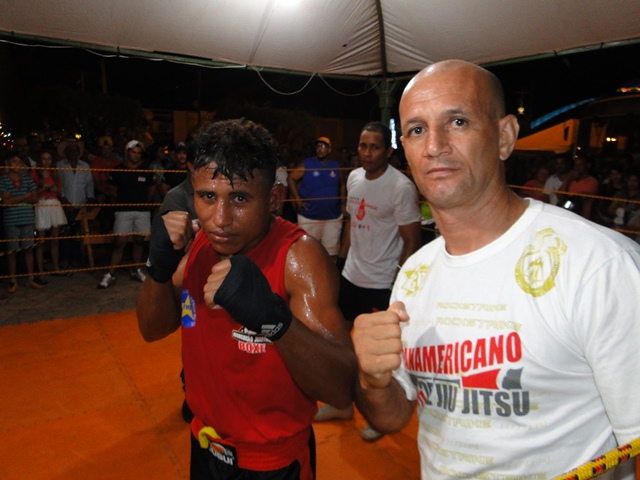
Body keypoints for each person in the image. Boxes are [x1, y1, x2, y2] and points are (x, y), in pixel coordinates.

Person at [351, 60, 640, 480]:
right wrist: (373, 380)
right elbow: (394, 417)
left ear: (505, 137)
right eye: (416, 129)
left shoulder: (599, 266)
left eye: (458, 122)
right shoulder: (415, 273)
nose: (434, 145)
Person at [136, 118, 356, 480]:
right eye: (208, 197)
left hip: (272, 464)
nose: (220, 218)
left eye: (239, 198)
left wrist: (274, 320)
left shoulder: (298, 259)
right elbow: (151, 329)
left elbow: (340, 389)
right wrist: (157, 271)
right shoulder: (197, 245)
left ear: (274, 199)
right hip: (204, 446)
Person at [314, 121, 422, 442]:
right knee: (341, 344)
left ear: (388, 151)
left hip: (382, 281)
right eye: (363, 146)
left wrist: (398, 284)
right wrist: (341, 261)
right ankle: (342, 403)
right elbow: (352, 222)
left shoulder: (400, 187)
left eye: (375, 147)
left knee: (379, 356)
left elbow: (411, 241)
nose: (367, 153)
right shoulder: (354, 177)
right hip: (352, 276)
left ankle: (379, 412)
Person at [97, 140, 155, 289]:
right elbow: (112, 190)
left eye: (138, 153)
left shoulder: (147, 170)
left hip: (142, 211)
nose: (136, 155)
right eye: (133, 152)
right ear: (127, 152)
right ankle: (110, 273)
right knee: (119, 242)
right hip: (123, 211)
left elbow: (151, 191)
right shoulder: (118, 169)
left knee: (139, 241)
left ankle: (136, 269)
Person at [288, 136, 345, 259]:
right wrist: (297, 200)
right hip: (310, 216)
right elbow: (291, 178)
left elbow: (342, 185)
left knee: (331, 253)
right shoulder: (307, 163)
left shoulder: (335, 165)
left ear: (329, 150)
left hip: (332, 217)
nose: (320, 149)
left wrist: (342, 202)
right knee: (307, 253)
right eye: (318, 146)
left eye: (323, 146)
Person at [0, 152, 41, 292]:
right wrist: (26, 195)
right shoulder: (3, 180)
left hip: (27, 219)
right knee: (12, 251)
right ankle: (13, 280)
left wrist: (15, 199)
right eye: (13, 161)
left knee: (28, 249)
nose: (16, 164)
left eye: (19, 162)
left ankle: (30, 278)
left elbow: (35, 198)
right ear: (7, 163)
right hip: (11, 219)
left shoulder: (27, 179)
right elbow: (5, 201)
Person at [31, 149, 68, 282]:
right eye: (44, 158)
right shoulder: (35, 173)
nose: (46, 161)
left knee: (55, 240)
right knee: (41, 241)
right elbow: (32, 192)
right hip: (42, 204)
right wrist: (42, 188)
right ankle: (40, 271)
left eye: (49, 159)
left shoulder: (55, 173)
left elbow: (59, 191)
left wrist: (53, 189)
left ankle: (56, 267)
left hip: (54, 204)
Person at [57, 139, 95, 268]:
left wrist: (90, 199)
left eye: (76, 150)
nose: (73, 153)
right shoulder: (59, 165)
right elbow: (58, 184)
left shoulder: (85, 166)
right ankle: (65, 259)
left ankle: (77, 259)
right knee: (65, 234)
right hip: (64, 205)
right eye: (71, 150)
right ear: (65, 152)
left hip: (81, 206)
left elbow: (89, 185)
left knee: (79, 234)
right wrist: (64, 201)